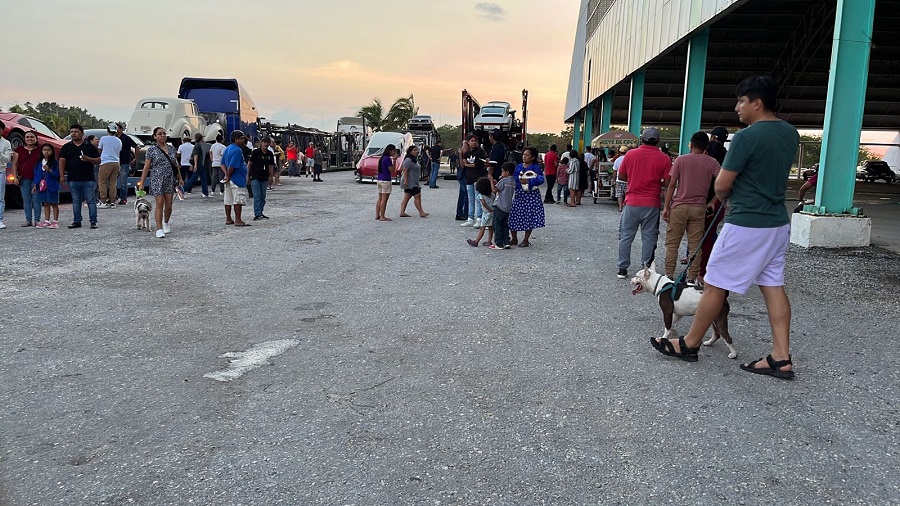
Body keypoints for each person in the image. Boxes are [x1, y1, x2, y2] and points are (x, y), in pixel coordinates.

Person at [651, 75, 799, 379]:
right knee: (773, 286)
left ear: (756, 103)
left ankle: (689, 343)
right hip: (776, 223)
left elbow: (722, 183)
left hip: (746, 222)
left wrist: (722, 196)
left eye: (741, 101)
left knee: (715, 282)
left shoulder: (746, 137)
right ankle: (781, 358)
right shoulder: (789, 133)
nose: (737, 108)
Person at [662, 131, 720, 282]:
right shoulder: (712, 162)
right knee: (695, 246)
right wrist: (713, 201)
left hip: (679, 207)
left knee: (672, 243)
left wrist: (666, 207)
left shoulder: (681, 160)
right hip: (699, 209)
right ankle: (692, 277)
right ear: (706, 147)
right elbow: (724, 185)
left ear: (691, 145)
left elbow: (672, 184)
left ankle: (669, 275)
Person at [616, 128, 671, 278]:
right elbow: (667, 182)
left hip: (632, 201)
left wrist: (634, 180)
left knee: (626, 236)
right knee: (649, 237)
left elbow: (621, 176)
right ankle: (646, 268)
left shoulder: (630, 154)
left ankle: (622, 268)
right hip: (651, 203)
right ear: (657, 141)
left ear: (642, 139)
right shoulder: (664, 158)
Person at [139, 127, 185, 238]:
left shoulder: (172, 149)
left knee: (169, 205)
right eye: (160, 134)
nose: (162, 136)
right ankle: (159, 229)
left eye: (164, 133)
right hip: (157, 179)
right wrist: (142, 182)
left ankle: (166, 222)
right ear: (155, 136)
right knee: (159, 203)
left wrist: (180, 178)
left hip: (170, 179)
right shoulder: (151, 150)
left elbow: (176, 165)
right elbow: (146, 166)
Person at [698, 127, 729, 281]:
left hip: (706, 202)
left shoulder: (710, 152)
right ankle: (712, 266)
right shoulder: (727, 155)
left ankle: (702, 272)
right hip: (719, 202)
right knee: (710, 235)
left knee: (701, 237)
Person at [59, 124, 101, 229]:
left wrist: (88, 159)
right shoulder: (66, 147)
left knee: (91, 201)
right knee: (76, 201)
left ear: (82, 133)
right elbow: (62, 161)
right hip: (73, 178)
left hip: (88, 178)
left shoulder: (90, 147)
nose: (73, 133)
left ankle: (93, 221)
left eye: (76, 131)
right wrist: (61, 176)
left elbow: (98, 160)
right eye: (71, 131)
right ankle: (77, 221)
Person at [509, 147, 545, 247]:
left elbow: (541, 179)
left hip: (531, 195)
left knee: (529, 216)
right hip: (519, 194)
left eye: (527, 155)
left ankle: (525, 239)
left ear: (533, 157)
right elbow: (514, 178)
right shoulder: (519, 167)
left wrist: (529, 181)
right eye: (523, 154)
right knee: (514, 215)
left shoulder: (536, 167)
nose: (524, 156)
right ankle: (514, 238)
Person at [11, 130, 42, 226]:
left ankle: (37, 220)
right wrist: (15, 177)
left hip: (37, 179)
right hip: (24, 179)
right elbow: (15, 164)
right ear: (24, 138)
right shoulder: (19, 150)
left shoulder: (41, 150)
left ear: (36, 139)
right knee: (26, 200)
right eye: (27, 137)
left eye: (32, 137)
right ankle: (28, 220)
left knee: (37, 199)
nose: (30, 139)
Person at [222, 130, 251, 227]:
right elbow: (232, 165)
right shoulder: (237, 150)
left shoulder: (227, 148)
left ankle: (228, 218)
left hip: (229, 178)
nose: (244, 140)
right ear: (236, 139)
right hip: (236, 178)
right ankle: (238, 219)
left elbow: (222, 164)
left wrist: (226, 175)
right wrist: (229, 175)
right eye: (241, 138)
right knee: (237, 199)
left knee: (228, 199)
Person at [460, 134, 487, 227]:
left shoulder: (479, 152)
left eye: (475, 141)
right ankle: (470, 218)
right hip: (469, 178)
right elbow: (463, 164)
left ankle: (478, 218)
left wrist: (467, 164)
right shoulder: (467, 153)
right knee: (470, 199)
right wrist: (461, 156)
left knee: (477, 199)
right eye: (471, 141)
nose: (473, 142)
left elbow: (477, 164)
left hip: (477, 178)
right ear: (468, 142)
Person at [33, 143, 61, 228]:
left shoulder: (55, 163)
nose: (46, 152)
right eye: (44, 150)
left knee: (54, 203)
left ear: (52, 152)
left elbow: (57, 174)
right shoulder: (38, 163)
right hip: (42, 185)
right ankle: (47, 220)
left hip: (52, 185)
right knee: (46, 203)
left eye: (49, 150)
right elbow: (36, 174)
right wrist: (35, 185)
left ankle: (55, 221)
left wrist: (49, 169)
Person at [489, 162, 515, 249]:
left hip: (499, 206)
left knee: (497, 225)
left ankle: (498, 243)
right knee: (505, 225)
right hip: (508, 207)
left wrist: (491, 180)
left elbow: (494, 190)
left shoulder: (503, 181)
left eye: (502, 171)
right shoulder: (513, 181)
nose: (501, 173)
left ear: (507, 172)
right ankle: (506, 241)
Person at [399, 145, 429, 218]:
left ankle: (402, 212)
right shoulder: (409, 159)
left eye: (417, 150)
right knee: (417, 196)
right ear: (410, 152)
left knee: (407, 197)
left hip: (413, 181)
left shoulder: (414, 160)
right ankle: (421, 212)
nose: (417, 151)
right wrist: (406, 181)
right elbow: (404, 170)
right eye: (415, 150)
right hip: (410, 182)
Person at [97, 122, 122, 208]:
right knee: (113, 183)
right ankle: (112, 202)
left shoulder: (103, 138)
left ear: (107, 130)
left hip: (105, 162)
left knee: (102, 182)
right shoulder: (119, 140)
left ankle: (103, 201)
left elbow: (99, 150)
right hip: (116, 163)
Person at [248, 137, 274, 220]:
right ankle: (257, 213)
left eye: (268, 143)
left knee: (263, 197)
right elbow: (249, 164)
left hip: (264, 177)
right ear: (261, 143)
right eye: (264, 142)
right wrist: (247, 176)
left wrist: (271, 176)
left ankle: (261, 211)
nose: (266, 144)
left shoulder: (269, 154)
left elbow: (271, 166)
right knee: (257, 196)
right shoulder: (255, 152)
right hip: (255, 176)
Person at [114, 122, 139, 205]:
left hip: (124, 162)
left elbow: (136, 146)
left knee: (122, 181)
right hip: (115, 162)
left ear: (121, 129)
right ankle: (114, 197)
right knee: (113, 181)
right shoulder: (114, 138)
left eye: (117, 129)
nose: (116, 131)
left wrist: (136, 158)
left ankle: (123, 198)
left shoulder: (126, 138)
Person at [467, 177, 493, 247]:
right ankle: (489, 241)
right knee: (490, 228)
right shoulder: (492, 195)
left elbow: (484, 203)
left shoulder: (481, 196)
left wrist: (489, 209)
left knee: (482, 228)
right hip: (492, 213)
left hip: (485, 213)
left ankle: (476, 241)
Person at [182, 133, 210, 197]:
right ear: (200, 138)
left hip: (199, 164)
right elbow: (195, 155)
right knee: (193, 179)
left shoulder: (197, 145)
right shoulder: (197, 146)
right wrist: (195, 165)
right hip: (198, 165)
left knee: (203, 178)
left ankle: (205, 193)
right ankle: (183, 189)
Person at [375, 143, 397, 221]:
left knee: (380, 198)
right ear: (389, 151)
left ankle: (377, 215)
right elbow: (392, 170)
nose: (394, 152)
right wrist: (394, 161)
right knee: (384, 199)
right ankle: (382, 216)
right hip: (386, 180)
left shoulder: (382, 158)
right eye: (393, 151)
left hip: (380, 180)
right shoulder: (387, 159)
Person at [0, 121, 11, 229]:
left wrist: (0, 154)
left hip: (1, 171)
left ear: (2, 131)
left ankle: (0, 220)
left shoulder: (6, 143)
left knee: (0, 197)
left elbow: (7, 159)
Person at [455, 141, 468, 221]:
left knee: (463, 195)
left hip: (464, 176)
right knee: (465, 194)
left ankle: (460, 213)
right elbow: (462, 166)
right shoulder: (462, 154)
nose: (463, 148)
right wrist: (460, 155)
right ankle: (463, 213)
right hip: (462, 176)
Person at [612, 145, 629, 211]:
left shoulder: (617, 159)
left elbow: (614, 170)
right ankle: (626, 206)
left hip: (619, 179)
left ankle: (620, 207)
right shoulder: (628, 159)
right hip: (627, 179)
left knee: (619, 194)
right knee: (627, 194)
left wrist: (613, 179)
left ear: (620, 152)